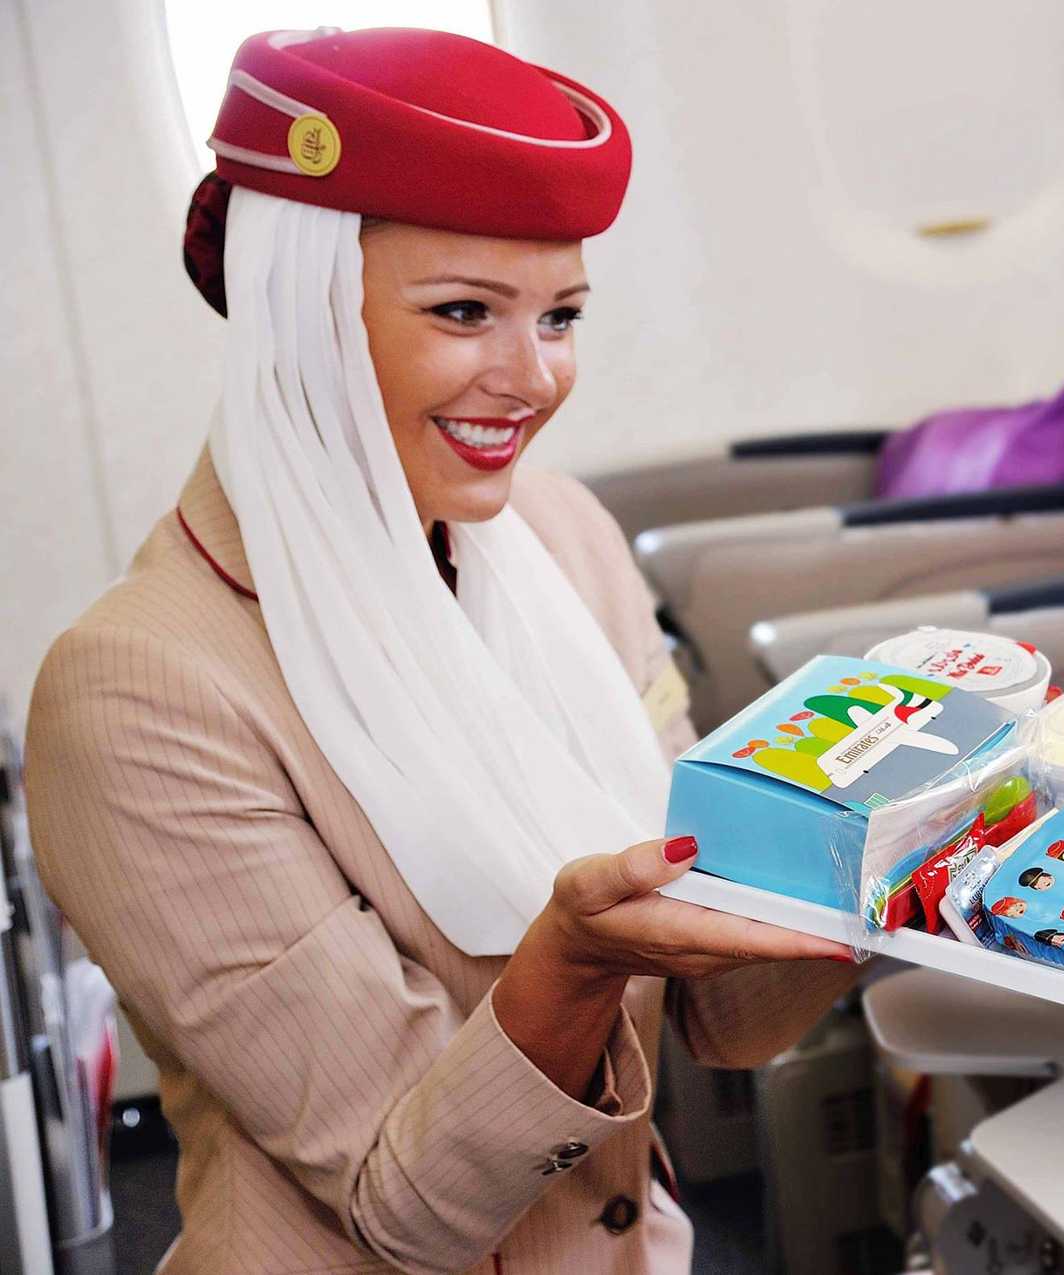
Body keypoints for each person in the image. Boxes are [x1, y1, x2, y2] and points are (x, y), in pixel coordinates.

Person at [22, 29, 859, 1275]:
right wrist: (571, 964)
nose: (531, 379)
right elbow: (401, 1200)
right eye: (465, 313)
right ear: (303, 324)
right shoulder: (141, 694)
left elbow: (726, 1019)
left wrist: (887, 856)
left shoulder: (561, 540)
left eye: (562, 316)